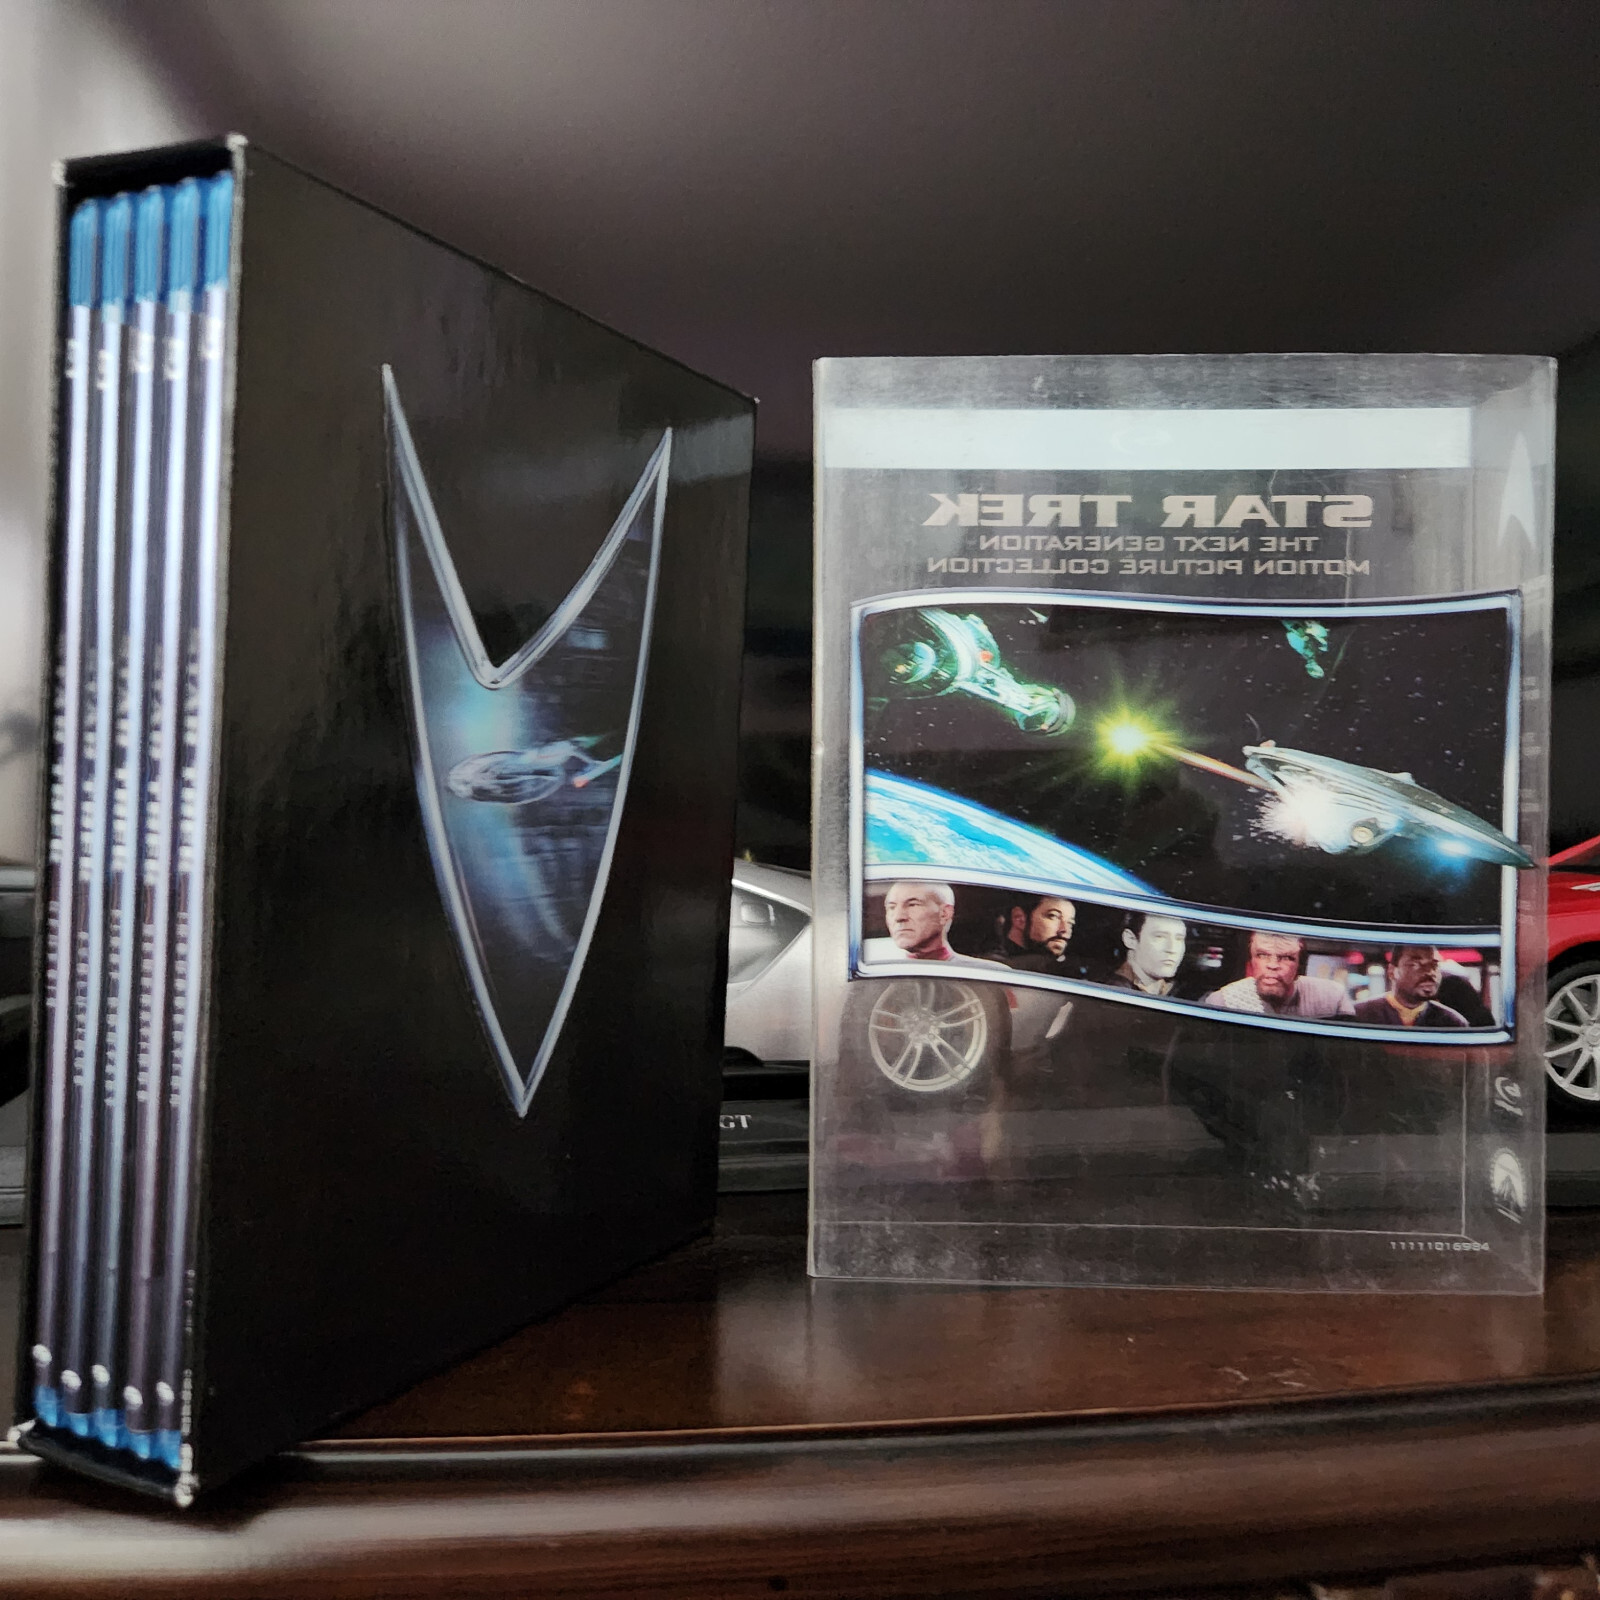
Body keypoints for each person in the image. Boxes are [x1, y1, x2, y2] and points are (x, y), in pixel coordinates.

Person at [1203, 930, 1354, 1018]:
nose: (1273, 965)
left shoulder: (1334, 998)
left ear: (1300, 967)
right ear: (1251, 962)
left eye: (1286, 957)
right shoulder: (1221, 1001)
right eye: (1262, 955)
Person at [1352, 945, 1468, 1028]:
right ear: (1392, 972)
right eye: (1415, 964)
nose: (1430, 972)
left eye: (1435, 965)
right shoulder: (1357, 1014)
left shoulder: (1453, 1022)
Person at [990, 893, 1079, 973]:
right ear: (1019, 918)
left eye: (1070, 923)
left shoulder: (1067, 971)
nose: (1065, 930)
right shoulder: (992, 967)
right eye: (1053, 916)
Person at [1108, 911, 1188, 996]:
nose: (1172, 949)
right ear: (1130, 939)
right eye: (1159, 937)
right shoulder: (1113, 991)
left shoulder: (1181, 991)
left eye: (1179, 939)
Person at [882, 879, 964, 961]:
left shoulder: (968, 968)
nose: (898, 917)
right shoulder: (884, 968)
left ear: (944, 914)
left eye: (912, 905)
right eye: (892, 907)